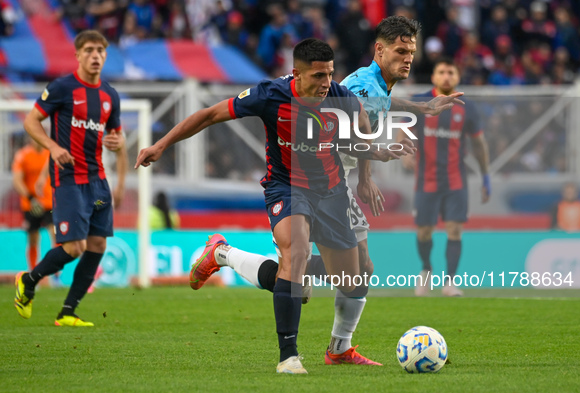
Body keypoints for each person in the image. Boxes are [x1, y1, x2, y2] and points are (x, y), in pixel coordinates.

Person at [185, 15, 465, 366]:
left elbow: (374, 108)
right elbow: (359, 116)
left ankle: (338, 348)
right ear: (379, 50)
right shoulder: (362, 86)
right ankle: (224, 255)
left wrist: (418, 107)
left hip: (333, 180)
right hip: (315, 181)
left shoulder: (375, 85)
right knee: (313, 279)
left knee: (352, 271)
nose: (408, 57)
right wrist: (366, 174)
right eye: (400, 50)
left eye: (411, 50)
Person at [136, 38, 416, 374]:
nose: (326, 83)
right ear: (296, 74)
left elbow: (362, 130)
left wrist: (368, 171)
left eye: (329, 74)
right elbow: (210, 114)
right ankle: (289, 357)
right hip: (287, 187)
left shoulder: (342, 98)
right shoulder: (270, 95)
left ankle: (223, 254)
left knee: (353, 278)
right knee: (295, 257)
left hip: (331, 192)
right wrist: (161, 145)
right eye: (318, 76)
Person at [14, 30, 127, 327]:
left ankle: (67, 312)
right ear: (77, 55)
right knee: (74, 247)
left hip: (98, 179)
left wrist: (117, 143)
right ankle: (28, 280)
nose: (95, 56)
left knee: (98, 245)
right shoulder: (63, 88)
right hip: (68, 179)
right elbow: (31, 121)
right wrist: (52, 147)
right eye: (89, 50)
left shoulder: (110, 95)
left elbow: (116, 137)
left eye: (100, 50)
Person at [399, 58, 491, 297]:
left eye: (451, 72)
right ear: (434, 77)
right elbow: (403, 127)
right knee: (424, 232)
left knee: (454, 229)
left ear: (458, 77)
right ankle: (426, 269)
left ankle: (449, 282)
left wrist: (485, 176)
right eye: (442, 72)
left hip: (455, 179)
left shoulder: (467, 107)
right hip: (425, 179)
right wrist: (402, 150)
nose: (446, 76)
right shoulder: (420, 100)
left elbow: (479, 144)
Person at [12, 137, 55, 272]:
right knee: (33, 239)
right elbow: (17, 181)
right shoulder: (22, 155)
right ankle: (33, 273)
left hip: (50, 203)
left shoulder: (50, 153)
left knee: (56, 236)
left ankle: (56, 275)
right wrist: (31, 198)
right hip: (30, 205)